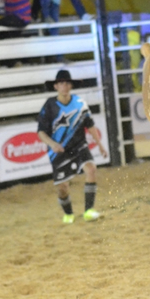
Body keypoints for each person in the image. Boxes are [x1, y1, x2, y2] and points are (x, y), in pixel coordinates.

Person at [37, 70, 107, 225]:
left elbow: (90, 125)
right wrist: (52, 144)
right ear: (56, 86)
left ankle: (89, 210)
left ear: (71, 85)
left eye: (67, 83)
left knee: (91, 169)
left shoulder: (80, 104)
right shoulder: (49, 106)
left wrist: (100, 145)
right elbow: (41, 132)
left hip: (79, 145)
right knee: (62, 187)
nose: (65, 86)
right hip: (59, 151)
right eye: (61, 83)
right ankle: (68, 213)